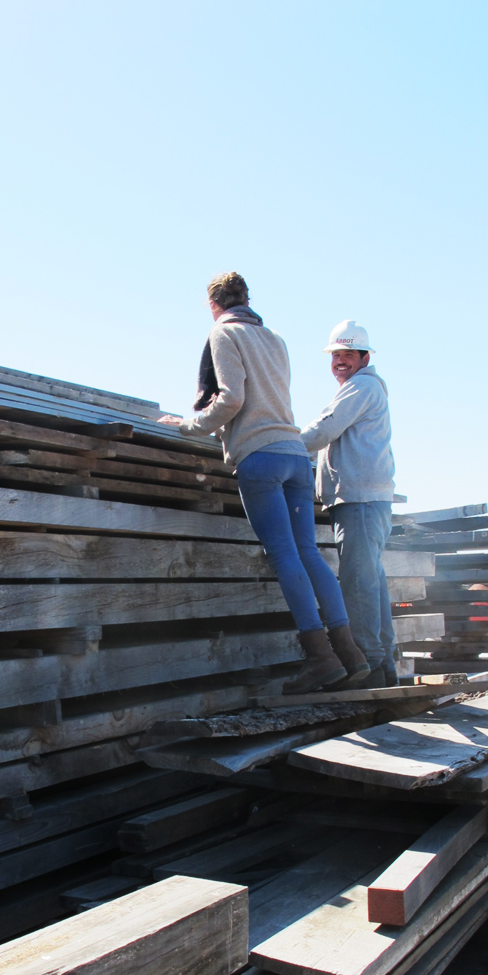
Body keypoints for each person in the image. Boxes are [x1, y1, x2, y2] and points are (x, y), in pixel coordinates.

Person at [158, 273, 368, 693]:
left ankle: (321, 659)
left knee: (284, 555)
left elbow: (232, 398)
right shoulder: (274, 338)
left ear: (213, 304)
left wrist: (190, 426)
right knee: (309, 553)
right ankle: (351, 654)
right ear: (247, 299)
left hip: (261, 456)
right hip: (294, 454)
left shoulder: (223, 333)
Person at [300, 319, 397, 687]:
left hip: (359, 500)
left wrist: (277, 442)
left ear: (364, 357)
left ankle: (368, 666)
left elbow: (324, 430)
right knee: (371, 581)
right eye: (335, 355)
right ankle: (383, 665)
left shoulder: (361, 387)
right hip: (369, 500)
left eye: (347, 354)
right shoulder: (364, 388)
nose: (340, 361)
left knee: (357, 584)